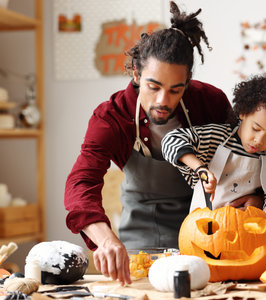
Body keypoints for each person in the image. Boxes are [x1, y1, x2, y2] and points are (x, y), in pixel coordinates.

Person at [64, 1, 247, 285]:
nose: (163, 101)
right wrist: (106, 240)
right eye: (154, 86)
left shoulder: (210, 103)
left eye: (176, 90)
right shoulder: (111, 117)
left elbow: (243, 161)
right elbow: (81, 183)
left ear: (188, 82)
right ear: (136, 75)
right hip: (138, 246)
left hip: (208, 240)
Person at [162, 74, 266, 222]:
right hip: (204, 231)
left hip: (246, 233)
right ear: (243, 113)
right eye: (256, 128)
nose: (259, 140)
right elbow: (171, 140)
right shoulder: (215, 138)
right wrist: (200, 168)